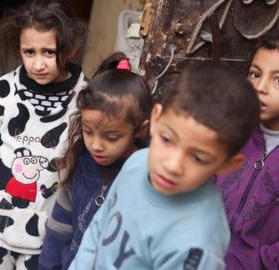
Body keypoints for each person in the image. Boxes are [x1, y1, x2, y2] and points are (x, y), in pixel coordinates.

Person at [69, 62, 260, 270]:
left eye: (198, 158)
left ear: (228, 165)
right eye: (167, 140)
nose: (172, 165)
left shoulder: (196, 245)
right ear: (156, 119)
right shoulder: (137, 162)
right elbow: (99, 226)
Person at [0, 0, 87, 269]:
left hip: (44, 224)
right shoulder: (6, 88)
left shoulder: (83, 97)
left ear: (70, 48)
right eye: (29, 52)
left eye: (49, 52)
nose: (38, 63)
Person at [37, 53, 152, 270]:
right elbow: (59, 226)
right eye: (88, 132)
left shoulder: (148, 179)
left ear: (140, 130)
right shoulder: (81, 163)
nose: (96, 145)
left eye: (112, 137)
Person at [216, 36, 279, 269]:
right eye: (255, 74)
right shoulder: (231, 133)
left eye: (278, 80)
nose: (260, 88)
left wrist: (254, 262)